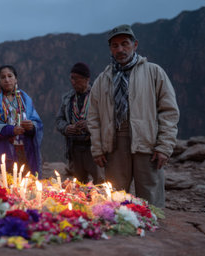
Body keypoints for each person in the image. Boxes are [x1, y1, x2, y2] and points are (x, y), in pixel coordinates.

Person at [87, 24, 179, 207]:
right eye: (115, 45)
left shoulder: (154, 72)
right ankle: (122, 231)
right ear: (110, 49)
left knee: (150, 197)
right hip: (114, 144)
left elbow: (169, 111)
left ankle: (154, 230)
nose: (120, 49)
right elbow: (93, 117)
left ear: (135, 45)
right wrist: (97, 148)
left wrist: (164, 146)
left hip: (148, 143)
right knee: (116, 196)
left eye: (124, 44)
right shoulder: (103, 79)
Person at [0, 65, 43, 177]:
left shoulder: (25, 99)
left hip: (25, 150)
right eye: (3, 77)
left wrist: (31, 127)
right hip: (3, 151)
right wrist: (11, 130)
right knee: (4, 183)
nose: (7, 80)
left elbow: (37, 122)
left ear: (16, 79)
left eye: (10, 76)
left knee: (26, 184)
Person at [56, 63, 104, 184]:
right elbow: (59, 120)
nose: (73, 82)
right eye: (72, 78)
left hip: (94, 149)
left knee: (100, 182)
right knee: (78, 184)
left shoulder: (98, 97)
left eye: (77, 78)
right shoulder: (67, 98)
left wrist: (90, 125)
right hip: (75, 148)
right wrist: (67, 128)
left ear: (87, 79)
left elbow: (107, 120)